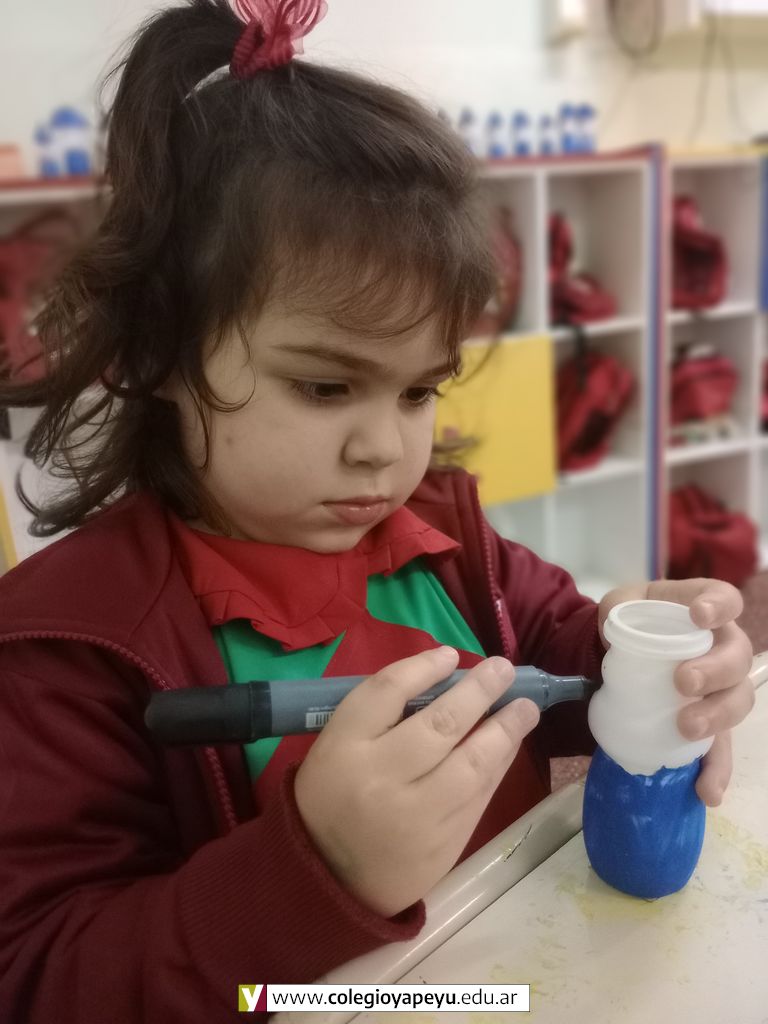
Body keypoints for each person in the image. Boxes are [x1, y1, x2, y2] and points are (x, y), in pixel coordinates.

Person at [0, 1, 755, 1021]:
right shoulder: (69, 646)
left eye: (418, 390)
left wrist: (639, 663)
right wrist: (316, 871)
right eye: (325, 387)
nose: (385, 450)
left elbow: (558, 665)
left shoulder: (445, 540)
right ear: (157, 353)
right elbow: (43, 977)